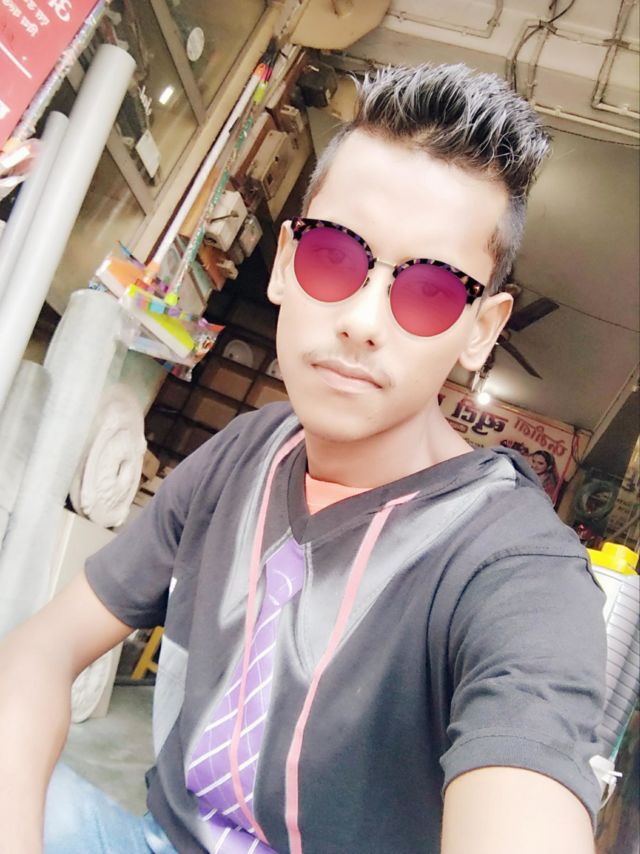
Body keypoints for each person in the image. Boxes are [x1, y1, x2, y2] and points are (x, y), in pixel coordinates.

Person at [0, 64, 607, 854]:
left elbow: (525, 793)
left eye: (428, 292)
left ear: (480, 331)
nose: (362, 321)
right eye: (335, 256)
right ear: (287, 263)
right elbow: (43, 650)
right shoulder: (246, 452)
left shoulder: (516, 569)